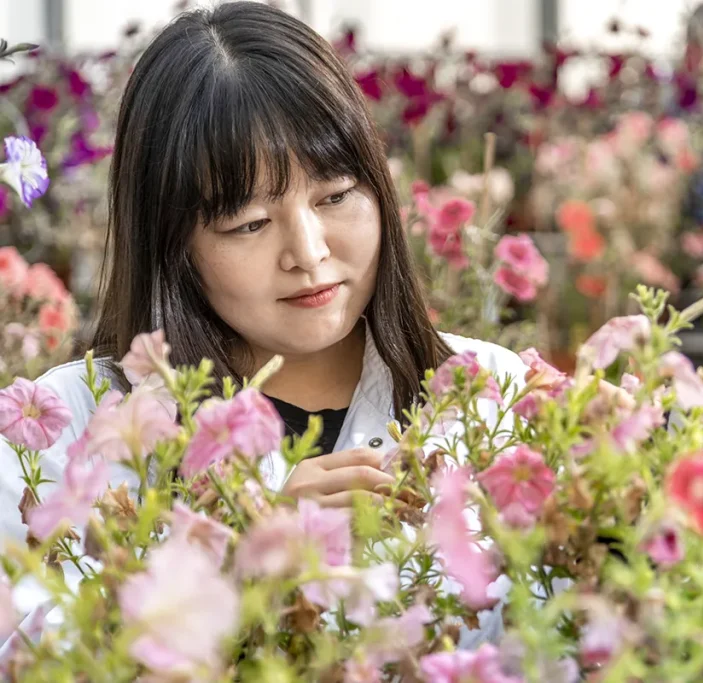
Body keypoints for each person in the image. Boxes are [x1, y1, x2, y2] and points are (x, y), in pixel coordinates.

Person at [0, 0, 527, 650]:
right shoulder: (56, 429)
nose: (308, 252)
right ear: (171, 244)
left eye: (336, 196)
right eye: (249, 223)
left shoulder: (491, 391)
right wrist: (241, 569)